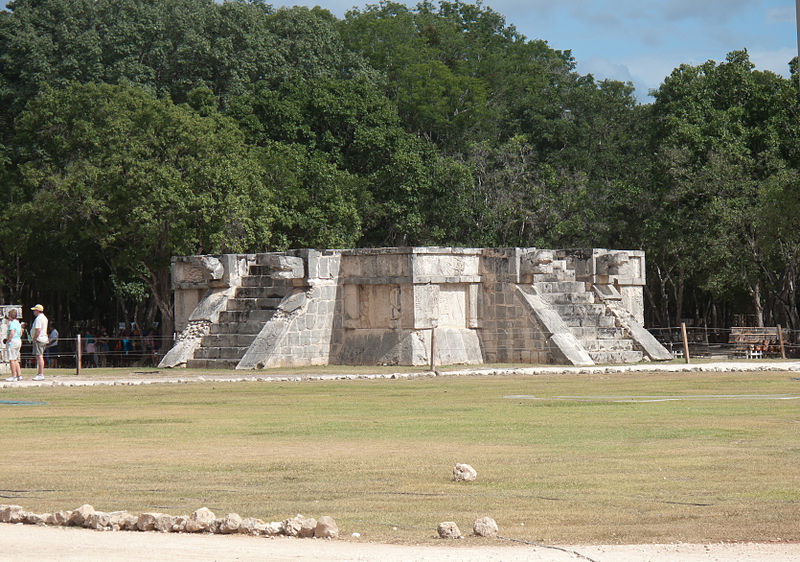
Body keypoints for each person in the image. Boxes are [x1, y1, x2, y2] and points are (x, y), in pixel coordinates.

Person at [30, 304, 48, 381]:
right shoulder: (44, 318)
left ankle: (40, 374)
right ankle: (40, 373)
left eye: (34, 310)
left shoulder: (38, 319)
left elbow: (38, 330)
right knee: (39, 356)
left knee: (39, 356)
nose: (34, 312)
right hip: (43, 338)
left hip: (39, 339)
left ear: (38, 311)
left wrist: (34, 338)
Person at [4, 309, 22, 382]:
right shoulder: (18, 323)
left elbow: (11, 333)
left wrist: (8, 341)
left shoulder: (12, 324)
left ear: (10, 316)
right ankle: (19, 375)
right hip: (18, 340)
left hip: (13, 341)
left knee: (11, 359)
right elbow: (20, 333)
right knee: (16, 359)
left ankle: (13, 376)